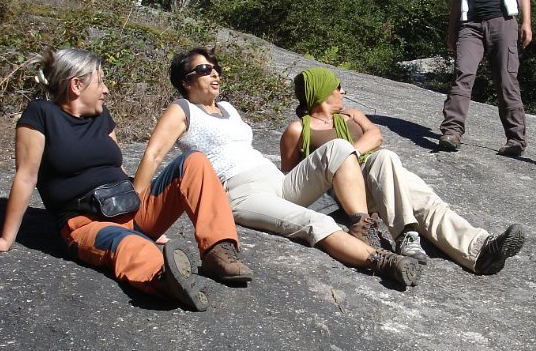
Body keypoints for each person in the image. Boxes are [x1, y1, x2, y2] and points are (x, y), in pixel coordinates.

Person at [0, 48, 251, 312]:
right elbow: (26, 177)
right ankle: (165, 277)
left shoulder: (101, 115)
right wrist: (6, 239)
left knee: (194, 161)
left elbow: (118, 168)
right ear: (76, 85)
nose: (106, 90)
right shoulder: (41, 115)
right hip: (87, 223)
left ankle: (218, 251)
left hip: (130, 209)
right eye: (100, 82)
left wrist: (148, 215)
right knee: (132, 245)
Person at [132, 48, 422, 288]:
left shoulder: (228, 108)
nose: (215, 74)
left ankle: (360, 225)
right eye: (205, 69)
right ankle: (382, 261)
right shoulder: (182, 109)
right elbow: (154, 155)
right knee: (316, 222)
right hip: (242, 192)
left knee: (339, 147)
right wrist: (135, 208)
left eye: (215, 67)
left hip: (279, 182)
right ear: (186, 81)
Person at [280, 67, 526, 275]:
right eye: (338, 87)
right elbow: (292, 180)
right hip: (345, 192)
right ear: (324, 90)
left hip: (379, 176)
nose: (343, 91)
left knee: (424, 200)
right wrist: (343, 163)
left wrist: (348, 155)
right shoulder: (297, 130)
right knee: (386, 159)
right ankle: (406, 235)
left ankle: (481, 251)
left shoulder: (351, 115)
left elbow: (376, 136)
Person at [439, 0, 533, 158]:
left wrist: (526, 23)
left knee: (506, 79)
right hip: (470, 26)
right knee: (463, 73)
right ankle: (451, 132)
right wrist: (451, 32)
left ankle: (515, 139)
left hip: (502, 22)